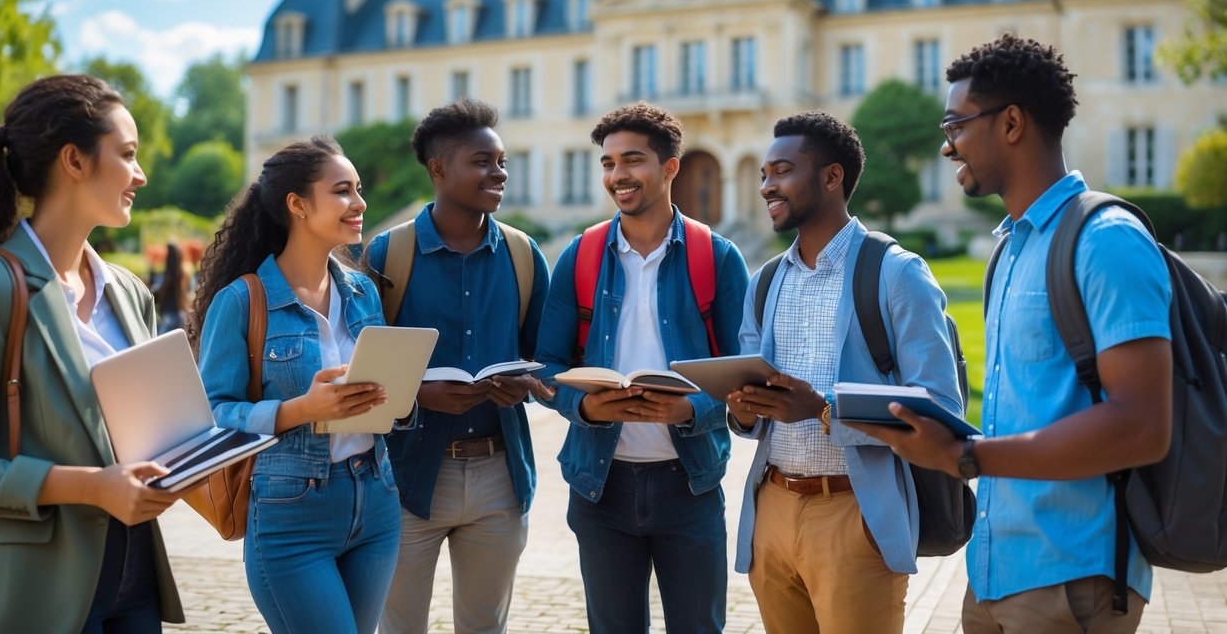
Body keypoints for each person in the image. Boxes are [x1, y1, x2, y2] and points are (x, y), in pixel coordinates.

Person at [850, 33, 1173, 633]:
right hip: (994, 573)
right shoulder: (1010, 250)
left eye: (956, 126)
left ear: (1013, 123)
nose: (947, 147)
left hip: (1074, 581)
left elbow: (1142, 426)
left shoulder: (1107, 241)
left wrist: (965, 456)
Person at [0, 75, 184, 633]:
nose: (141, 174)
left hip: (137, 580)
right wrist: (89, 485)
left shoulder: (128, 292)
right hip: (37, 589)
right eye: (127, 155)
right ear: (74, 161)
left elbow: (151, 434)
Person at [724, 111, 961, 634]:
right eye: (764, 174)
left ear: (832, 177)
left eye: (781, 171)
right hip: (773, 508)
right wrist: (742, 410)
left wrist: (824, 409)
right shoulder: (764, 282)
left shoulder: (897, 273)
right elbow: (753, 413)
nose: (766, 187)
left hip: (855, 511)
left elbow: (940, 408)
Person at [534, 102, 748, 634]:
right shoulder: (579, 256)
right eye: (607, 164)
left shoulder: (716, 257)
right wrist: (583, 404)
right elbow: (546, 368)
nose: (617, 176)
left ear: (670, 167)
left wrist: (690, 408)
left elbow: (744, 374)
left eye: (632, 161)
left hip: (690, 484)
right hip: (599, 486)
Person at [190, 135, 402, 634]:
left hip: (376, 501)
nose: (360, 203)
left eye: (358, 189)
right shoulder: (242, 300)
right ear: (298, 205)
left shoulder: (362, 290)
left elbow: (383, 397)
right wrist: (300, 410)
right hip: (291, 514)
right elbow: (210, 415)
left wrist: (394, 394)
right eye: (343, 191)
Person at [366, 99, 551, 634]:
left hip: (500, 476)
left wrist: (527, 382)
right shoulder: (385, 256)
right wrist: (420, 393)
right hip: (406, 478)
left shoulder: (523, 254)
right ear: (439, 169)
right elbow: (358, 368)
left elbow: (547, 358)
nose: (498, 173)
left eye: (502, 162)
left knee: (484, 628)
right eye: (483, 161)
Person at [152, 241, 190, 334]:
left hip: (169, 315)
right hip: (181, 313)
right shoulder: (184, 271)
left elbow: (160, 293)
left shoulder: (169, 275)